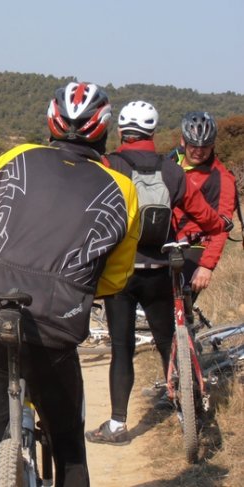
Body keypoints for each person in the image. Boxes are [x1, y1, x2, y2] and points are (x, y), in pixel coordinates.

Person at [0, 82, 140, 487]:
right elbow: (117, 276)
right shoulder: (122, 189)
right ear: (104, 130)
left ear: (51, 123)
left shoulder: (15, 159)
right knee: (68, 444)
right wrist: (79, 291)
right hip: (55, 323)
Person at [85, 101, 230, 444]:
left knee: (122, 347)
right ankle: (188, 412)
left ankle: (118, 425)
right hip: (162, 270)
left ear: (121, 132)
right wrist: (217, 226)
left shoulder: (109, 165)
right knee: (169, 342)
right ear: (153, 132)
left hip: (120, 272)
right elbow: (209, 219)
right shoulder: (172, 171)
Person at [172, 111, 236, 299]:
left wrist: (206, 266)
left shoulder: (222, 178)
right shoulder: (170, 162)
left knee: (175, 304)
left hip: (195, 246)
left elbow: (223, 226)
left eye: (205, 146)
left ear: (213, 145)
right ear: (183, 141)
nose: (199, 151)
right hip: (164, 241)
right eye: (193, 145)